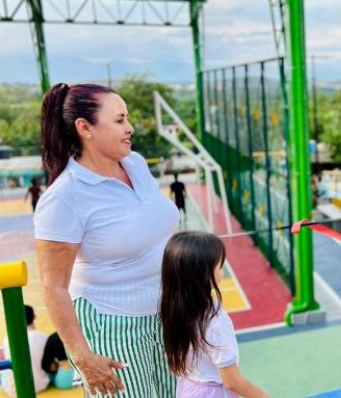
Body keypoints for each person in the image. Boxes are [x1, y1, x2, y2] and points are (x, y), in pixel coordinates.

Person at [35, 83, 180, 396]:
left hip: (167, 313)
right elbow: (53, 287)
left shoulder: (136, 165)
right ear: (85, 128)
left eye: (126, 119)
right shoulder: (65, 197)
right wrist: (83, 357)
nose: (129, 128)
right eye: (119, 121)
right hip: (112, 324)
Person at [160, 231, 268, 398]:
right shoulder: (214, 321)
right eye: (220, 265)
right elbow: (232, 381)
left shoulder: (174, 308)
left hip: (188, 388)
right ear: (203, 275)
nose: (222, 270)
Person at [2, 305, 50, 395]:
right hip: (41, 384)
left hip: (15, 389)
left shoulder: (8, 339)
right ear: (34, 317)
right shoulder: (44, 337)